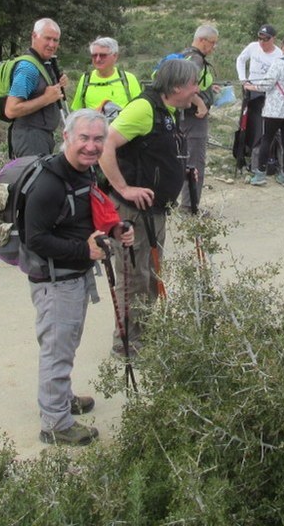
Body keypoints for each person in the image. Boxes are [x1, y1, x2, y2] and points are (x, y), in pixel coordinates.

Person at [18, 109, 134, 446]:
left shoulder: (82, 172)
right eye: (84, 138)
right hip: (54, 281)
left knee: (65, 341)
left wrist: (115, 227)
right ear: (66, 137)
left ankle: (60, 399)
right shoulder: (48, 184)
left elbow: (89, 213)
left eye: (98, 139)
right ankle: (55, 423)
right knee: (57, 347)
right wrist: (85, 252)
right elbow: (34, 239)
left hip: (72, 275)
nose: (91, 146)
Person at [98, 59, 201, 356]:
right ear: (178, 86)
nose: (197, 89)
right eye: (194, 84)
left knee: (152, 272)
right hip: (133, 211)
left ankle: (146, 331)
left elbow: (154, 152)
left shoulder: (169, 110)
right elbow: (106, 145)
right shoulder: (143, 108)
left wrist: (180, 171)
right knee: (134, 273)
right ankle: (126, 341)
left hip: (155, 210)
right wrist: (123, 188)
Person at [246, 33, 284, 187]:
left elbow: (266, 85)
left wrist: (250, 86)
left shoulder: (279, 63)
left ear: (283, 47)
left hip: (274, 110)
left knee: (267, 139)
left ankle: (260, 174)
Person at [4, 18, 69, 159]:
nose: (52, 44)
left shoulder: (44, 63)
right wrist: (46, 99)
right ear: (34, 36)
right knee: (36, 180)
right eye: (47, 39)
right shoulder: (28, 68)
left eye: (56, 40)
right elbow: (11, 110)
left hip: (41, 136)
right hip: (30, 138)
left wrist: (58, 82)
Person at [178, 25, 220, 212]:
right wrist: (200, 103)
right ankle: (190, 206)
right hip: (194, 117)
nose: (213, 47)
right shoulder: (195, 59)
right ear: (202, 40)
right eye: (212, 43)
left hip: (182, 116)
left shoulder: (184, 54)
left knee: (184, 158)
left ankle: (184, 201)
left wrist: (209, 90)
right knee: (195, 160)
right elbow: (184, 81)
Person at [235, 24, 281, 173]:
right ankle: (243, 151)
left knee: (260, 126)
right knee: (246, 123)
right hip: (250, 89)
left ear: (273, 39)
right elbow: (241, 60)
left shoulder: (278, 55)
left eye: (266, 39)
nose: (262, 42)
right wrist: (243, 80)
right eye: (260, 38)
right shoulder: (253, 47)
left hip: (266, 93)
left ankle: (262, 157)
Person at [70, 36, 142, 113]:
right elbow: (76, 112)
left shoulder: (129, 79)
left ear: (115, 56)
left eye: (102, 55)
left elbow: (140, 110)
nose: (97, 59)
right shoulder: (85, 79)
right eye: (94, 55)